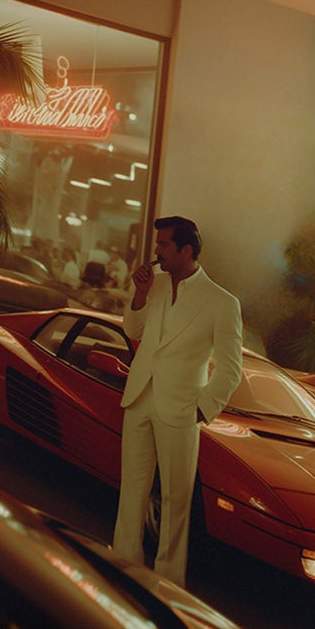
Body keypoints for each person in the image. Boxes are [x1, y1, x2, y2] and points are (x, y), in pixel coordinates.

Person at [111, 216, 243, 586]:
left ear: (187, 250)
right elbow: (133, 331)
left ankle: (168, 583)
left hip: (182, 409)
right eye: (158, 245)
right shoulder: (153, 286)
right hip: (140, 397)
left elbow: (231, 368)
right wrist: (138, 294)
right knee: (132, 490)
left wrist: (201, 408)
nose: (156, 251)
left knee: (175, 502)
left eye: (164, 245)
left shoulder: (222, 302)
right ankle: (123, 568)